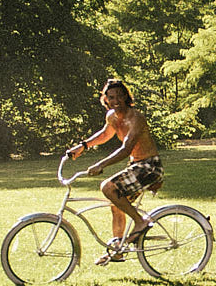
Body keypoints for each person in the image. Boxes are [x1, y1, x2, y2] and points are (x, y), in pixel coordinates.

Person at [65, 79, 163, 263]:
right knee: (116, 204)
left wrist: (101, 164)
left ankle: (140, 222)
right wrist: (83, 146)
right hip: (136, 166)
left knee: (108, 187)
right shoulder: (112, 116)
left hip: (149, 167)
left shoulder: (136, 118)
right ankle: (118, 250)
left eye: (119, 96)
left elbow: (126, 149)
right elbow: (104, 134)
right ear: (106, 100)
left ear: (126, 96)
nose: (116, 100)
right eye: (111, 97)